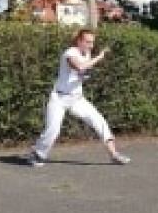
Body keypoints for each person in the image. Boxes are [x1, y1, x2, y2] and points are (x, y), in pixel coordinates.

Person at [29, 28, 131, 167]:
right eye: (88, 42)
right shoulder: (70, 52)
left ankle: (114, 155)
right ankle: (38, 153)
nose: (91, 45)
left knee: (99, 121)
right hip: (59, 98)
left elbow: (83, 72)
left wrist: (85, 73)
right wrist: (99, 57)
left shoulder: (87, 53)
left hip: (77, 99)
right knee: (53, 130)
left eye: (92, 42)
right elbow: (79, 66)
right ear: (79, 41)